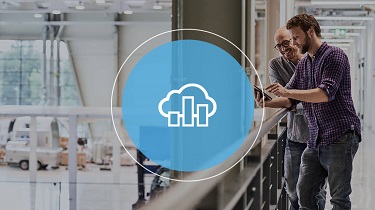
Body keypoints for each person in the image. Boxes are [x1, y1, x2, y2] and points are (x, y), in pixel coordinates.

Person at [263, 14, 361, 210]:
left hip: (340, 136)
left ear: (310, 31)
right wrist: (266, 103)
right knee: (305, 193)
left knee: (339, 199)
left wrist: (287, 91)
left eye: (296, 38)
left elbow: (325, 93)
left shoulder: (334, 55)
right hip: (315, 139)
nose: (295, 43)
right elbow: (289, 98)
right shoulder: (305, 63)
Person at [262, 26, 326, 210]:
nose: (283, 49)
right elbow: (282, 98)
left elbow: (321, 98)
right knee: (291, 188)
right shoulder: (276, 65)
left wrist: (292, 101)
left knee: (317, 191)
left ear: (297, 39)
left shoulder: (317, 60)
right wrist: (268, 103)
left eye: (286, 43)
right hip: (295, 137)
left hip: (320, 137)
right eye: (278, 46)